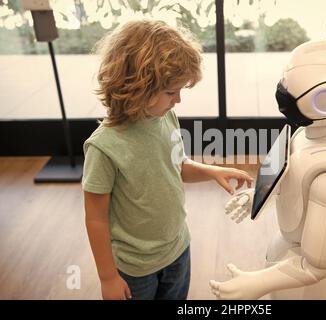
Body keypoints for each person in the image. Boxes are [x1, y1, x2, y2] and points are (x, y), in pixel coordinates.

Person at [82, 19, 253, 300]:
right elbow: (96, 219)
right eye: (171, 92)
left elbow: (177, 165)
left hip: (177, 250)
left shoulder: (165, 117)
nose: (178, 101)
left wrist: (212, 171)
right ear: (137, 87)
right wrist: (108, 277)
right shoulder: (104, 147)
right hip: (135, 269)